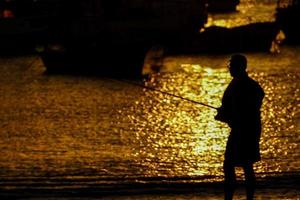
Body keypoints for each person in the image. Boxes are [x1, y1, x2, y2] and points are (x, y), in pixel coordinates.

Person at [215, 54, 264, 200]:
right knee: (246, 165)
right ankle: (247, 197)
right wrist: (226, 112)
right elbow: (256, 98)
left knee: (230, 164)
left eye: (231, 66)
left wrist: (228, 113)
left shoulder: (241, 84)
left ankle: (231, 196)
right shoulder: (247, 84)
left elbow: (240, 108)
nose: (229, 68)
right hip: (249, 129)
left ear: (238, 67)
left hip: (243, 130)